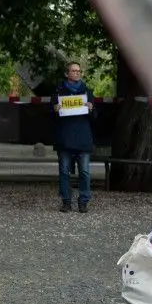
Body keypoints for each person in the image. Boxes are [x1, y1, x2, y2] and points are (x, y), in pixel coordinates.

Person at [52, 61, 94, 214]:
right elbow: (51, 116)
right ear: (67, 73)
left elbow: (94, 117)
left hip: (83, 139)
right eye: (74, 71)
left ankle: (83, 201)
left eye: (79, 71)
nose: (77, 73)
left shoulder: (87, 91)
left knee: (84, 172)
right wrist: (55, 110)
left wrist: (91, 109)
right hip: (64, 139)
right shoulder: (58, 91)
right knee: (64, 171)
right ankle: (66, 202)